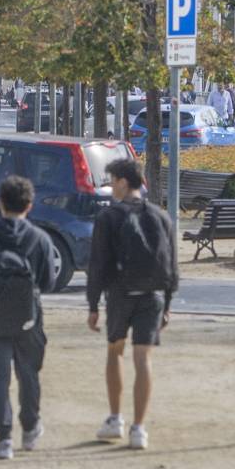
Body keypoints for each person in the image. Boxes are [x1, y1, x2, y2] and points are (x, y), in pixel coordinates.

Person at [86, 157, 178, 450]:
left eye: (112, 181)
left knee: (115, 351)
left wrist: (92, 304)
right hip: (153, 295)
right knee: (143, 358)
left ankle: (115, 419)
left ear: (124, 182)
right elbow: (172, 263)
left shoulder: (109, 217)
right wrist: (168, 304)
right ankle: (139, 428)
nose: (111, 187)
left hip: (120, 293)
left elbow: (98, 264)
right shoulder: (161, 217)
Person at [0, 175, 57, 460]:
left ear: (0, 203)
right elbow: (48, 282)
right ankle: (30, 428)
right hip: (29, 316)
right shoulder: (39, 238)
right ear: (29, 205)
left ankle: (4, 437)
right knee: (29, 375)